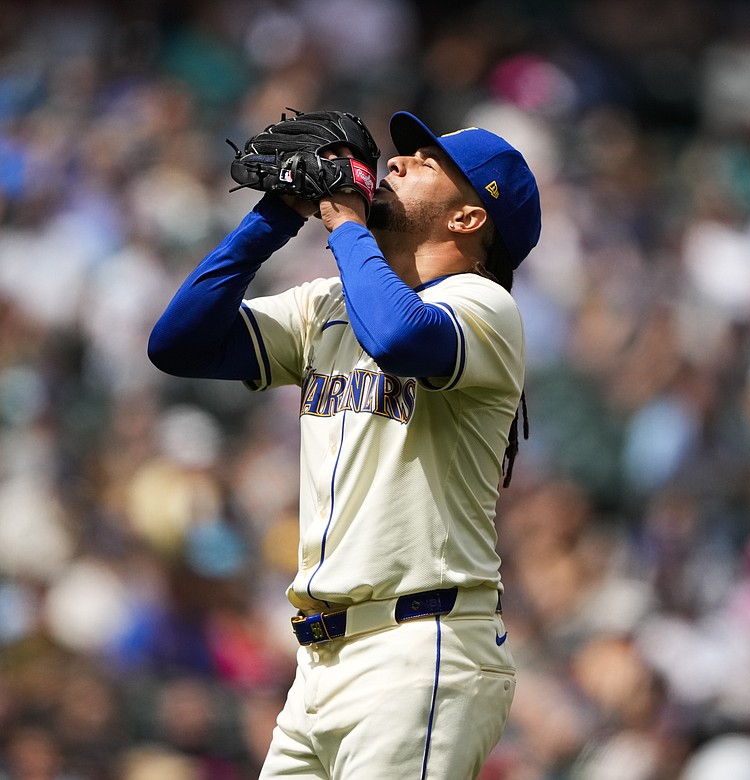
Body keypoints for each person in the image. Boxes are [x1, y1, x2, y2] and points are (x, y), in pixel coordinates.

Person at [148, 109, 541, 779]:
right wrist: (273, 218)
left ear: (469, 219)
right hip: (319, 668)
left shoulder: (483, 306)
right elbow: (178, 343)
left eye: (427, 163)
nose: (396, 161)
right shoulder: (333, 302)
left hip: (421, 650)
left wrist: (346, 223)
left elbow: (399, 338)